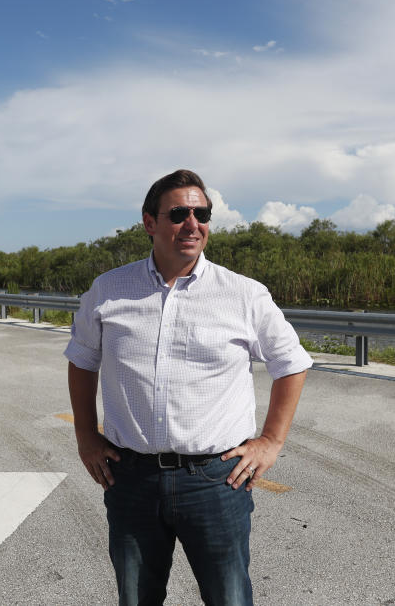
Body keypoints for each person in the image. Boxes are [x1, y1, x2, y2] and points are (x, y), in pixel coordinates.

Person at [65, 169, 312, 605]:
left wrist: (271, 441)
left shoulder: (243, 294)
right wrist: (86, 435)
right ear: (149, 223)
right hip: (132, 478)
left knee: (229, 599)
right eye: (179, 213)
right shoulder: (108, 290)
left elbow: (291, 363)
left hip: (217, 480)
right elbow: (83, 361)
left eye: (202, 213)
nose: (192, 224)